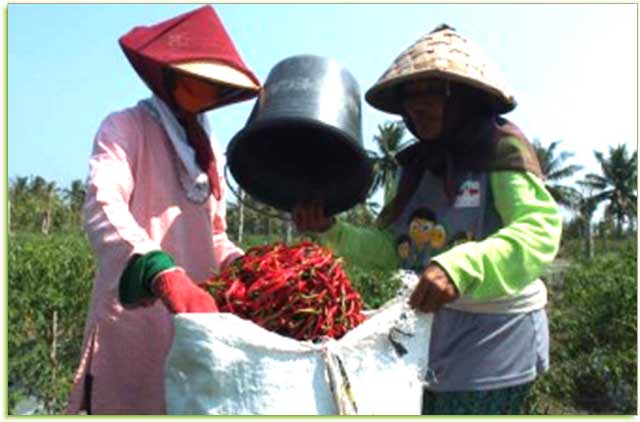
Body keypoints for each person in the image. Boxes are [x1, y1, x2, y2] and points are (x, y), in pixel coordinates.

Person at [294, 24, 562, 415]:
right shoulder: (415, 166)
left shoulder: (500, 148)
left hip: (493, 341)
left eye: (435, 92)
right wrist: (330, 230)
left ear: (466, 98)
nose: (418, 106)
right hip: (429, 338)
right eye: (411, 96)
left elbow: (538, 231)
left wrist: (461, 266)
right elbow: (393, 248)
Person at [66, 6, 260, 414]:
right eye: (202, 79)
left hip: (196, 325)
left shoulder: (206, 149)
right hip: (136, 320)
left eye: (217, 85)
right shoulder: (126, 127)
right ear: (170, 74)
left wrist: (247, 266)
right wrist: (158, 269)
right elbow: (104, 203)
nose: (210, 91)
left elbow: (214, 235)